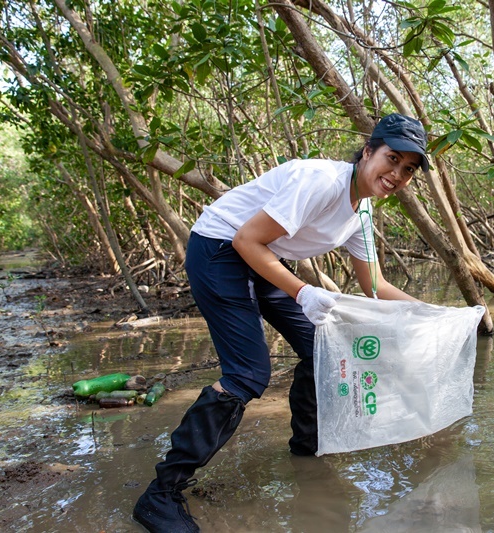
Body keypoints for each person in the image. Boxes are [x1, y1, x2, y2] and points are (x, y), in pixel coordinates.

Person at [132, 113, 429, 533]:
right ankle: (160, 495)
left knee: (320, 348)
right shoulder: (321, 181)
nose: (396, 174)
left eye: (408, 169)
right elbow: (244, 239)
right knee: (248, 374)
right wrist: (303, 292)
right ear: (368, 152)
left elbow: (375, 285)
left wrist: (434, 313)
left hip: (259, 256)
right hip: (219, 248)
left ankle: (307, 449)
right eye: (391, 159)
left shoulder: (360, 214)